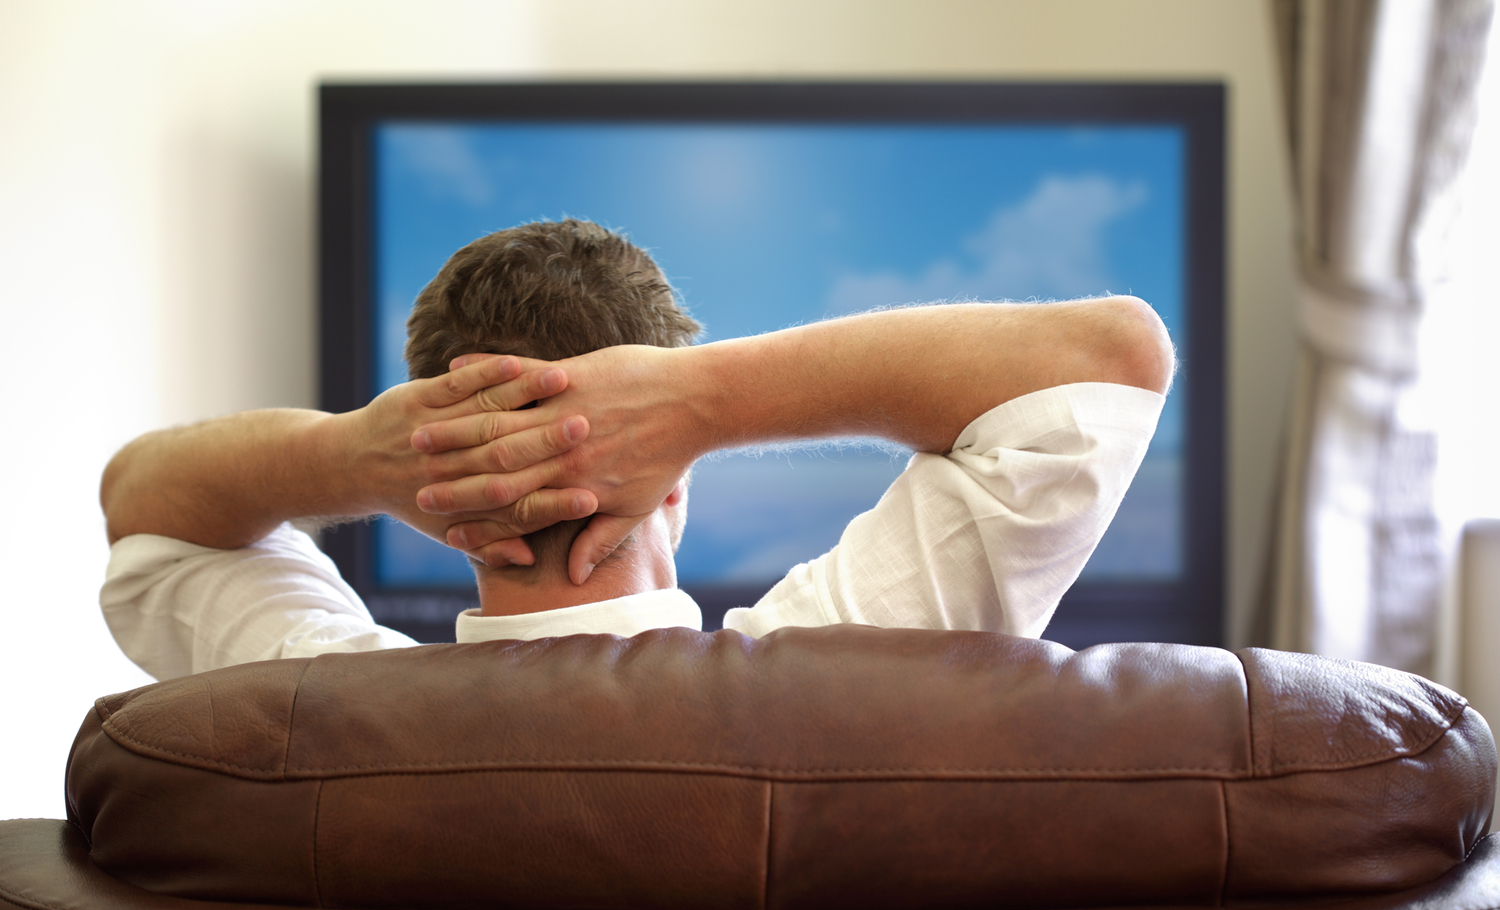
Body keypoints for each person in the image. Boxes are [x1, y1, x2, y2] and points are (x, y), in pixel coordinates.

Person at [100, 219, 1173, 680]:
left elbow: (143, 508)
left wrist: (354, 457)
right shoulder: (838, 668)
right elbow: (1112, 357)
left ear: (439, 495)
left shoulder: (315, 706)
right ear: (674, 482)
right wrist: (701, 403)